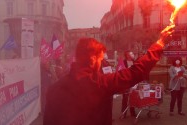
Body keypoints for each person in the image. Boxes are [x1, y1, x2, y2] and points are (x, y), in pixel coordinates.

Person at [43, 25, 174, 125]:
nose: (101, 63)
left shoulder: (54, 89)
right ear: (93, 59)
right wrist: (160, 43)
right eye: (100, 59)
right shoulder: (100, 84)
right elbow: (136, 72)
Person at [121, 50, 136, 118]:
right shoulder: (123, 62)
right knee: (125, 98)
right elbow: (121, 70)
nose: (131, 55)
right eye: (130, 54)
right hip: (126, 82)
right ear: (127, 55)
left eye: (131, 53)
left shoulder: (134, 62)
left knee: (132, 97)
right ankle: (123, 113)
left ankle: (132, 112)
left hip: (133, 82)